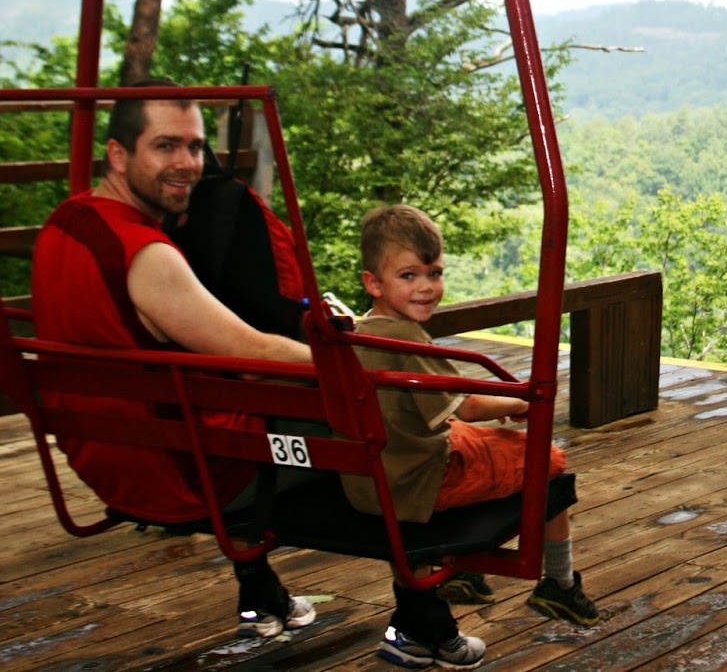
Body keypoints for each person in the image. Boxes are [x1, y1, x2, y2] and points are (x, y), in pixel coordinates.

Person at [31, 86, 484, 669]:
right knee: (388, 424)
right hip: (186, 470)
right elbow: (252, 352)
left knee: (297, 404)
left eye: (195, 146)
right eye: (165, 145)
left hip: (107, 449)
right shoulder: (146, 255)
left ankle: (261, 592)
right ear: (118, 155)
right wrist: (356, 367)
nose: (187, 163)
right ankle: (423, 621)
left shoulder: (62, 225)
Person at [347, 204, 602, 642]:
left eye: (434, 273)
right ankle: (559, 584)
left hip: (371, 475)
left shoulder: (360, 332)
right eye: (409, 276)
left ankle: (461, 569)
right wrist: (523, 400)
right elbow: (465, 405)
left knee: (486, 444)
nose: (426, 287)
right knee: (546, 459)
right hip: (421, 479)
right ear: (374, 282)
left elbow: (443, 407)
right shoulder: (406, 338)